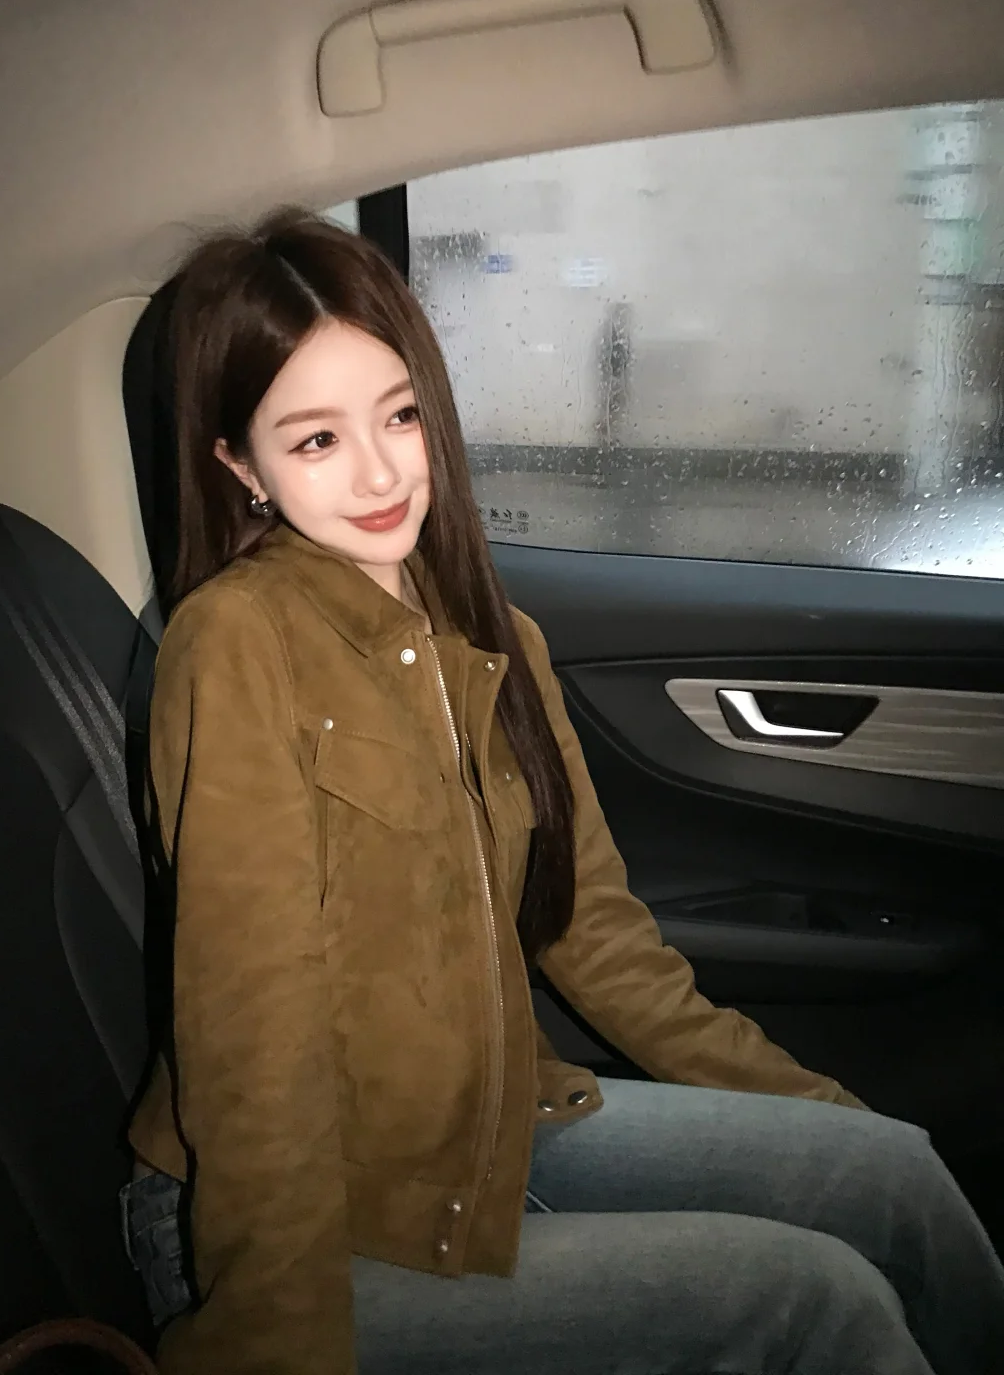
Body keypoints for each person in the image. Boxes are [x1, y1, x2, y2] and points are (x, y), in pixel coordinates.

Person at [122, 208, 1004, 1375]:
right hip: (288, 1219)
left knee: (889, 1170)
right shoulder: (237, 644)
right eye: (317, 439)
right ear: (241, 466)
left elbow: (599, 938)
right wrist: (273, 1334)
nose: (382, 471)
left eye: (399, 416)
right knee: (816, 1303)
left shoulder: (497, 638)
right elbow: (250, 1027)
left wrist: (807, 1120)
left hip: (485, 1122)